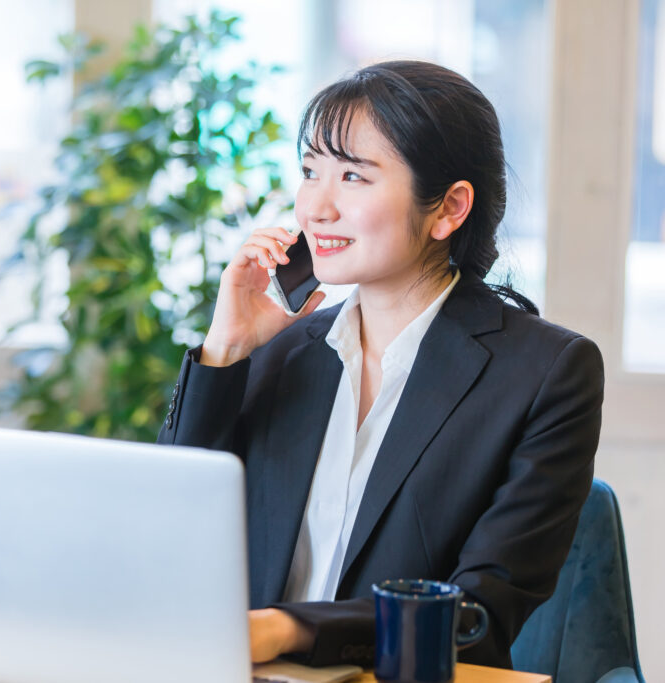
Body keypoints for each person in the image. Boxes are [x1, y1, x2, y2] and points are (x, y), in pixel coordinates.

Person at [157, 60, 603, 669]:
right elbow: (170, 535)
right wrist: (225, 352)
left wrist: (286, 629)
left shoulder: (547, 373)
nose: (316, 208)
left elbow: (476, 616)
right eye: (310, 172)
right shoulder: (283, 350)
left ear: (448, 208)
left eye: (353, 176)